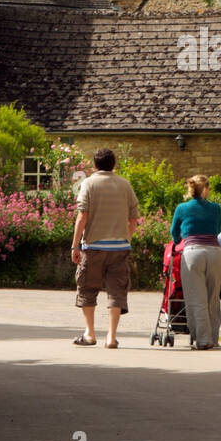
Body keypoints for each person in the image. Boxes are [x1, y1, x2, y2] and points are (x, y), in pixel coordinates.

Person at [71, 149, 139, 349]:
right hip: (119, 248)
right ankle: (111, 336)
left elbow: (82, 216)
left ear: (95, 165)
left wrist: (75, 245)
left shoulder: (88, 184)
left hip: (93, 247)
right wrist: (126, 238)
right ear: (113, 164)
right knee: (117, 290)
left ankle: (90, 334)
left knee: (87, 288)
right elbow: (133, 218)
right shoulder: (125, 185)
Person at [169, 175, 221, 350]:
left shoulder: (182, 208)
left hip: (193, 253)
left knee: (196, 298)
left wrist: (179, 240)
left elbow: (174, 233)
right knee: (213, 298)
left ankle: (203, 339)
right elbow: (217, 230)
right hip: (215, 252)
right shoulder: (216, 208)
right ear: (206, 189)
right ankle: (214, 338)